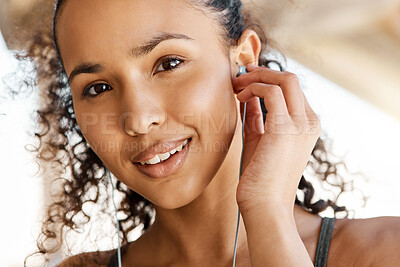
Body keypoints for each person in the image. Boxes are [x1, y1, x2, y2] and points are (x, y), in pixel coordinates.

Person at [20, 0, 400, 266]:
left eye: (168, 63)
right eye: (97, 88)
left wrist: (267, 210)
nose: (137, 119)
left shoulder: (382, 253)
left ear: (244, 59)